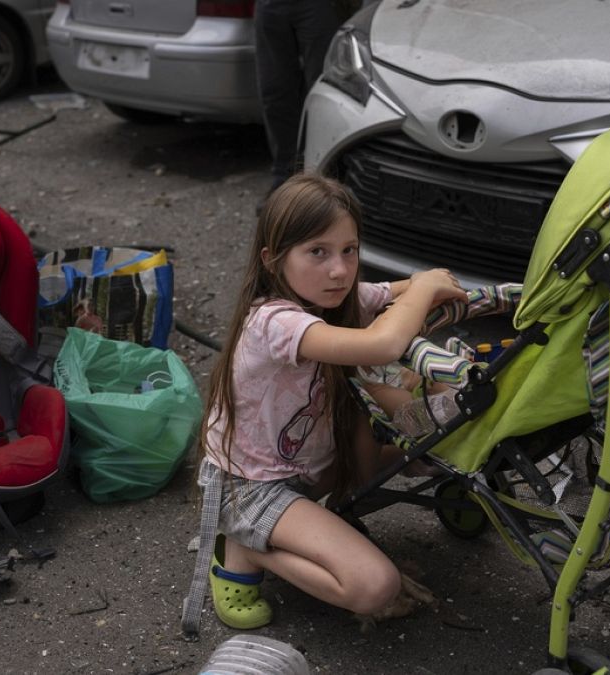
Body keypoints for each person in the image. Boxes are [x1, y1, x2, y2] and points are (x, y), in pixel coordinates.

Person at [180, 174, 466, 636]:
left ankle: (420, 463)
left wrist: (419, 283)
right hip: (252, 488)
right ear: (272, 260)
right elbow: (383, 345)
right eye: (318, 252)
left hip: (308, 464)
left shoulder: (333, 295)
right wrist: (426, 287)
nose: (339, 270)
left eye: (349, 250)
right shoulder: (273, 321)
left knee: (414, 431)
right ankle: (245, 550)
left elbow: (386, 294)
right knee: (375, 587)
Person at [253, 0, 345, 198]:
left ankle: (324, 179)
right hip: (269, 6)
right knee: (274, 91)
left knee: (324, 92)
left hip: (314, 6)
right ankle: (284, 178)